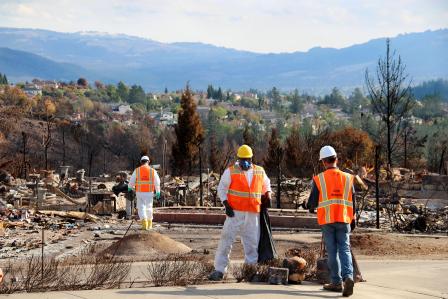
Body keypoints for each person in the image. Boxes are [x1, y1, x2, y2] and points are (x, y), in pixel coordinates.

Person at [208, 145, 272, 281]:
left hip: (253, 213)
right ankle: (219, 270)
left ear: (251, 158)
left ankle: (251, 270)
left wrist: (268, 194)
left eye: (247, 159)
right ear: (238, 159)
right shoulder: (230, 172)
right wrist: (226, 204)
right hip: (235, 213)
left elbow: (266, 185)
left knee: (252, 243)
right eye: (242, 159)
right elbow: (221, 189)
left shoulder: (259, 171)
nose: (245, 162)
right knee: (226, 240)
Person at [307, 145, 355, 297]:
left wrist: (309, 206)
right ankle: (348, 277)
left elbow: (313, 201)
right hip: (344, 218)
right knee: (345, 249)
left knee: (332, 252)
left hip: (327, 220)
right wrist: (352, 218)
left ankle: (336, 282)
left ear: (323, 162)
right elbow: (353, 200)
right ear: (336, 159)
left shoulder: (319, 179)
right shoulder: (348, 178)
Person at [128, 156, 161, 230]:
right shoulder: (152, 171)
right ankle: (149, 224)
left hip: (140, 192)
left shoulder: (137, 170)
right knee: (149, 207)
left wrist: (129, 187)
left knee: (141, 207)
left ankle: (144, 222)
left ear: (141, 162)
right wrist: (158, 191)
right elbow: (157, 182)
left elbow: (132, 180)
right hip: (149, 192)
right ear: (148, 162)